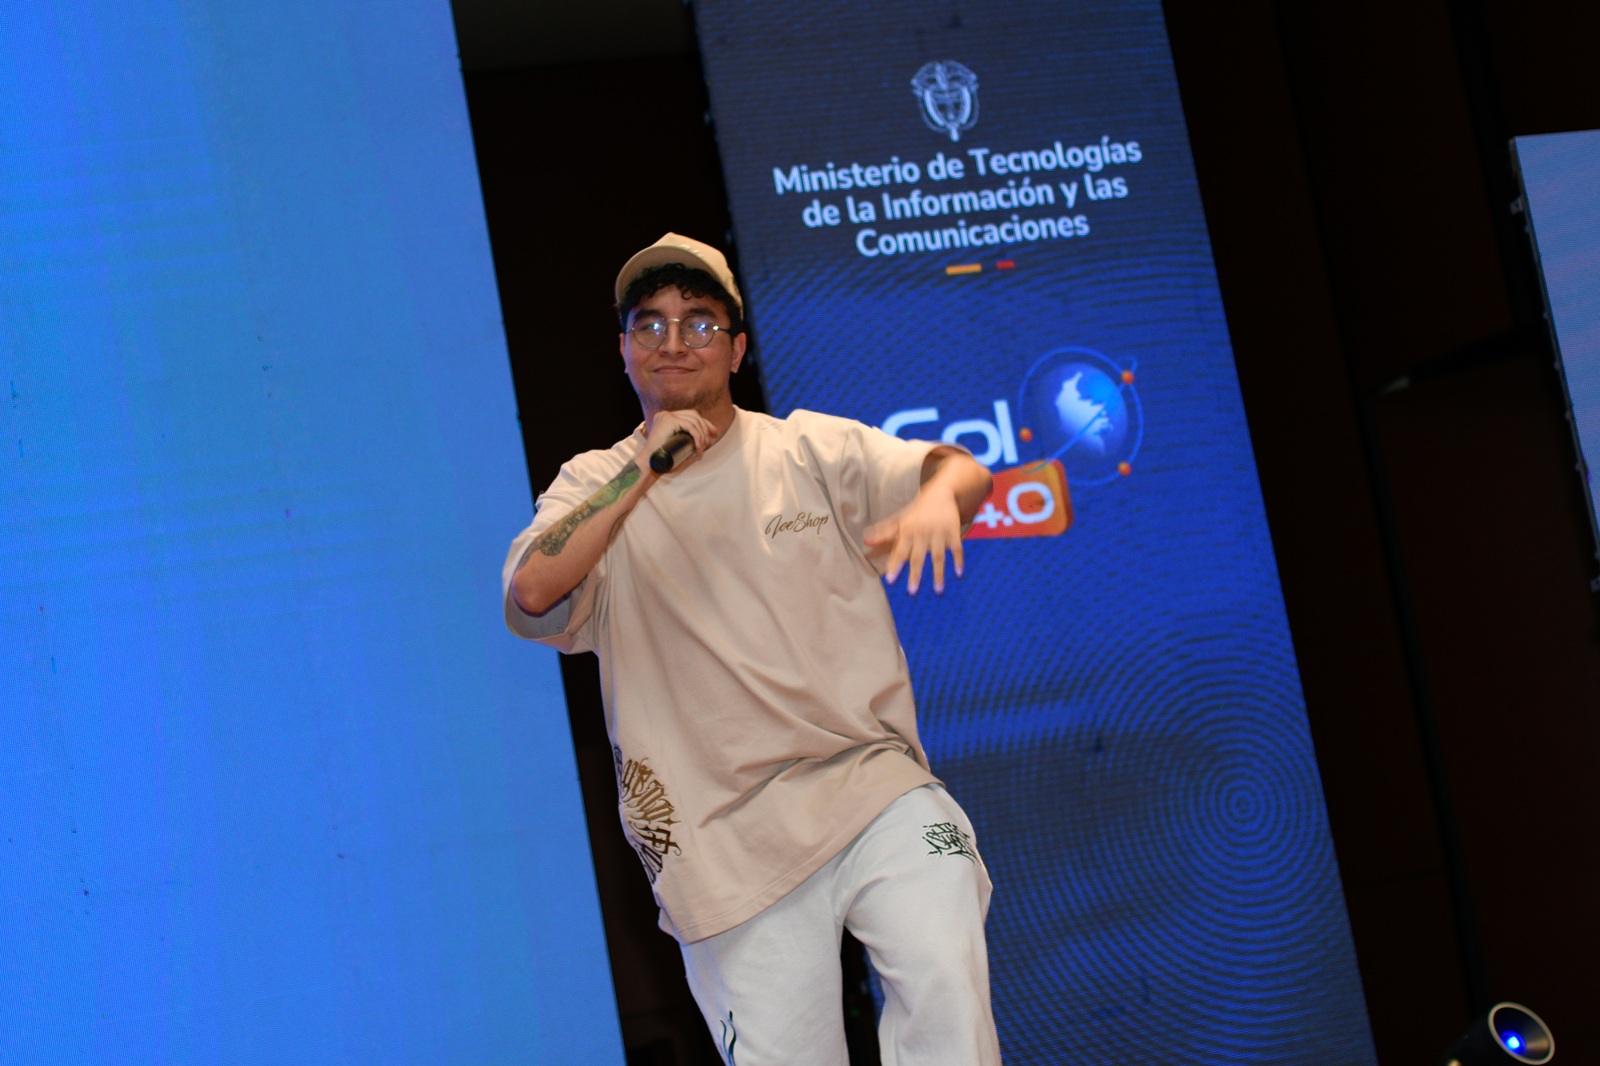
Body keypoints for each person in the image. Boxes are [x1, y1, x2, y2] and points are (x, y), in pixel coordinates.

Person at [502, 233, 1002, 1065]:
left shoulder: (806, 449)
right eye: (650, 324)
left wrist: (936, 502)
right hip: (722, 846)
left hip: (868, 785)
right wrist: (645, 469)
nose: (673, 341)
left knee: (943, 969)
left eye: (699, 322)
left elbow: (960, 470)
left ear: (735, 349)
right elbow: (532, 589)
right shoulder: (595, 483)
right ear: (623, 350)